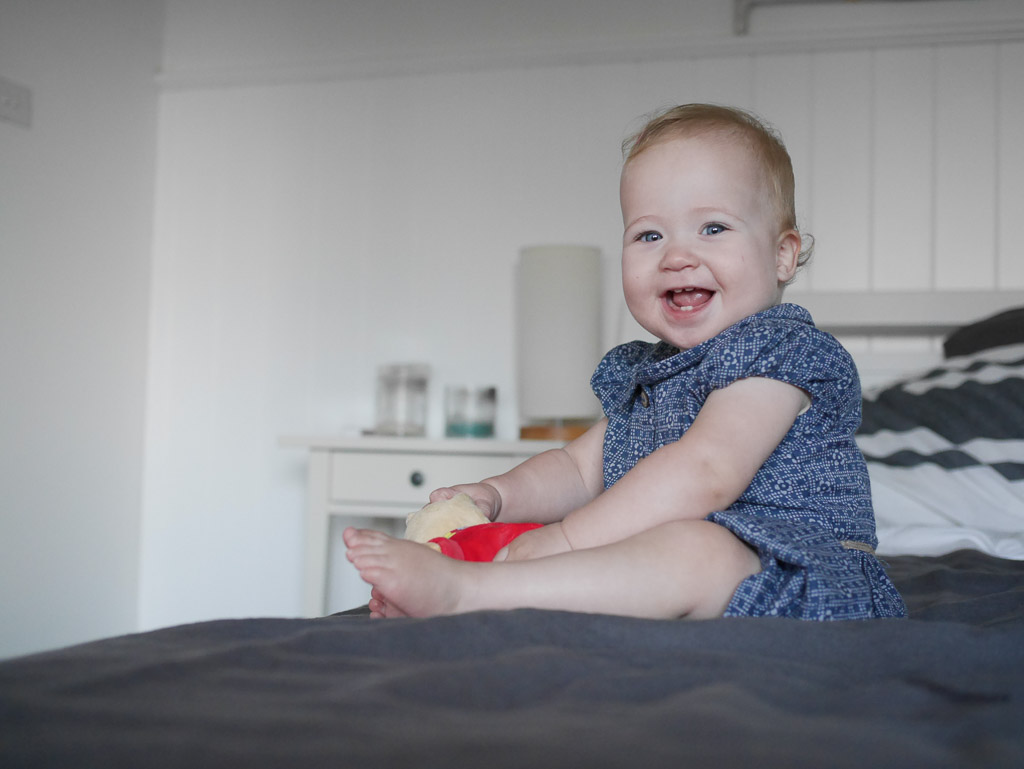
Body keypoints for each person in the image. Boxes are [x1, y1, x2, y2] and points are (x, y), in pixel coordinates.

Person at [344, 103, 907, 622]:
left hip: (801, 578)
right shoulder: (649, 378)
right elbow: (576, 468)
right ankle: (487, 585)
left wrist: (566, 539)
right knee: (646, 549)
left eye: (713, 228)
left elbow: (706, 471)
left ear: (782, 254)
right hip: (701, 570)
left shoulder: (780, 352)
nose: (677, 255)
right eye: (649, 234)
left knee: (692, 549)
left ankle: (470, 593)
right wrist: (497, 495)